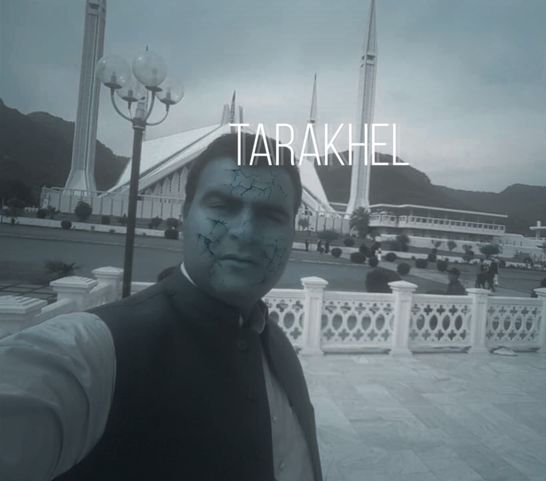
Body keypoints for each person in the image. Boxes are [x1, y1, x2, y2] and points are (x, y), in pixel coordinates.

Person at [0, 133, 322, 481]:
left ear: (293, 231)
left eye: (272, 215)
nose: (245, 232)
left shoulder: (278, 348)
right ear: (185, 216)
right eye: (223, 206)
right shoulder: (104, 353)